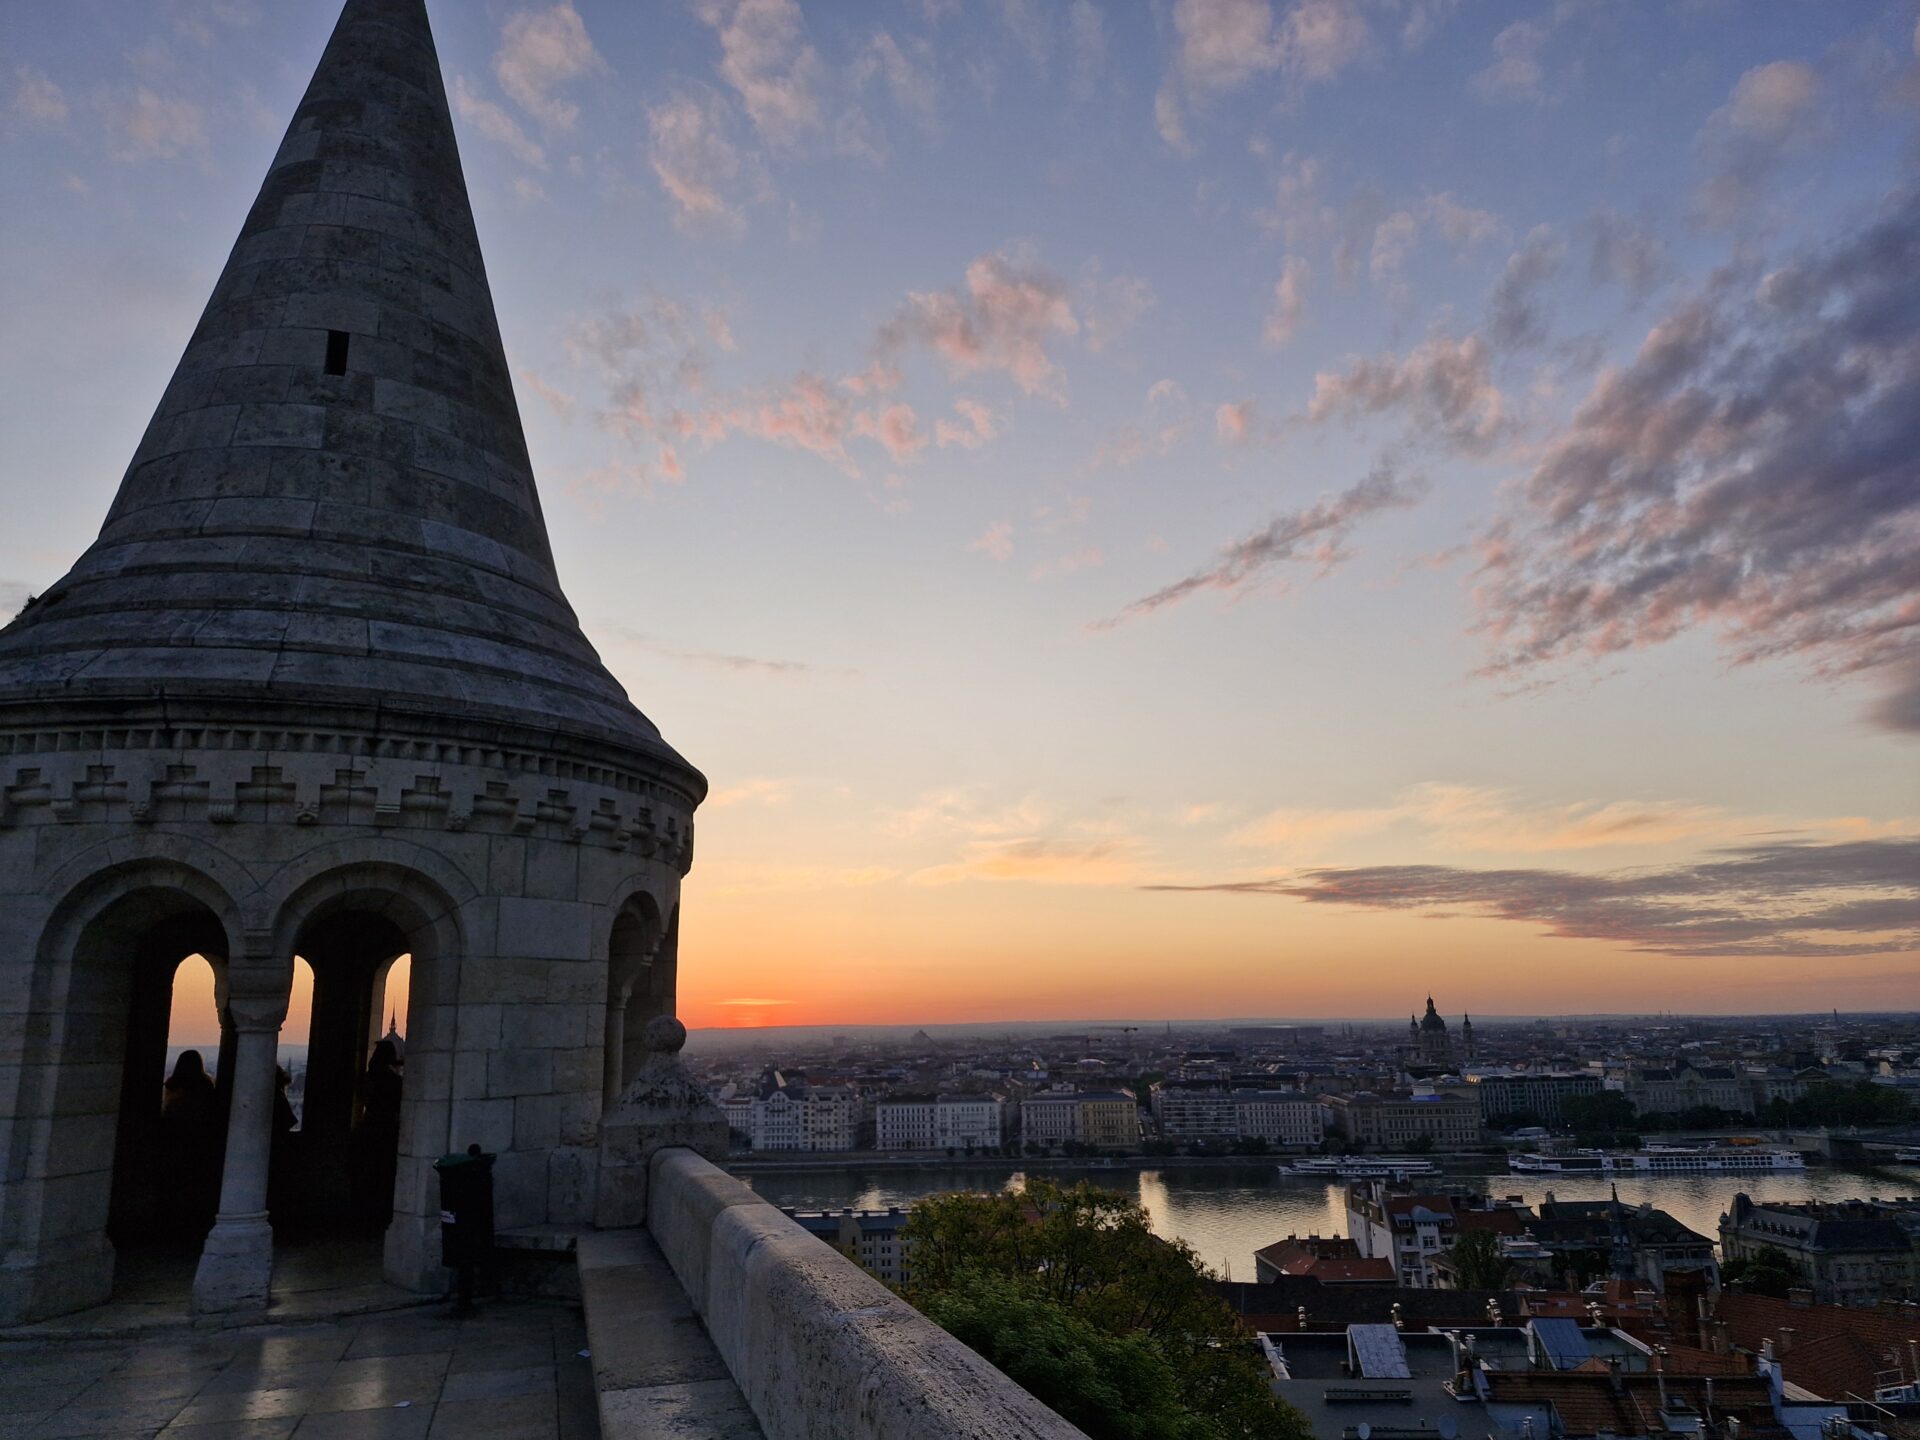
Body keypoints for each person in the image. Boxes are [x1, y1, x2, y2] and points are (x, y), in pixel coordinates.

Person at [160, 1050, 219, 1236]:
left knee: (176, 1184)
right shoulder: (205, 1085)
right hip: (200, 1141)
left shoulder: (171, 1085)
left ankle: (173, 1223)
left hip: (173, 1141)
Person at [351, 1040, 403, 1225]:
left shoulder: (368, 1077)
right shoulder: (393, 1081)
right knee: (382, 1176)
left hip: (368, 1127)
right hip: (386, 1131)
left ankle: (363, 1215)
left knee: (366, 1175)